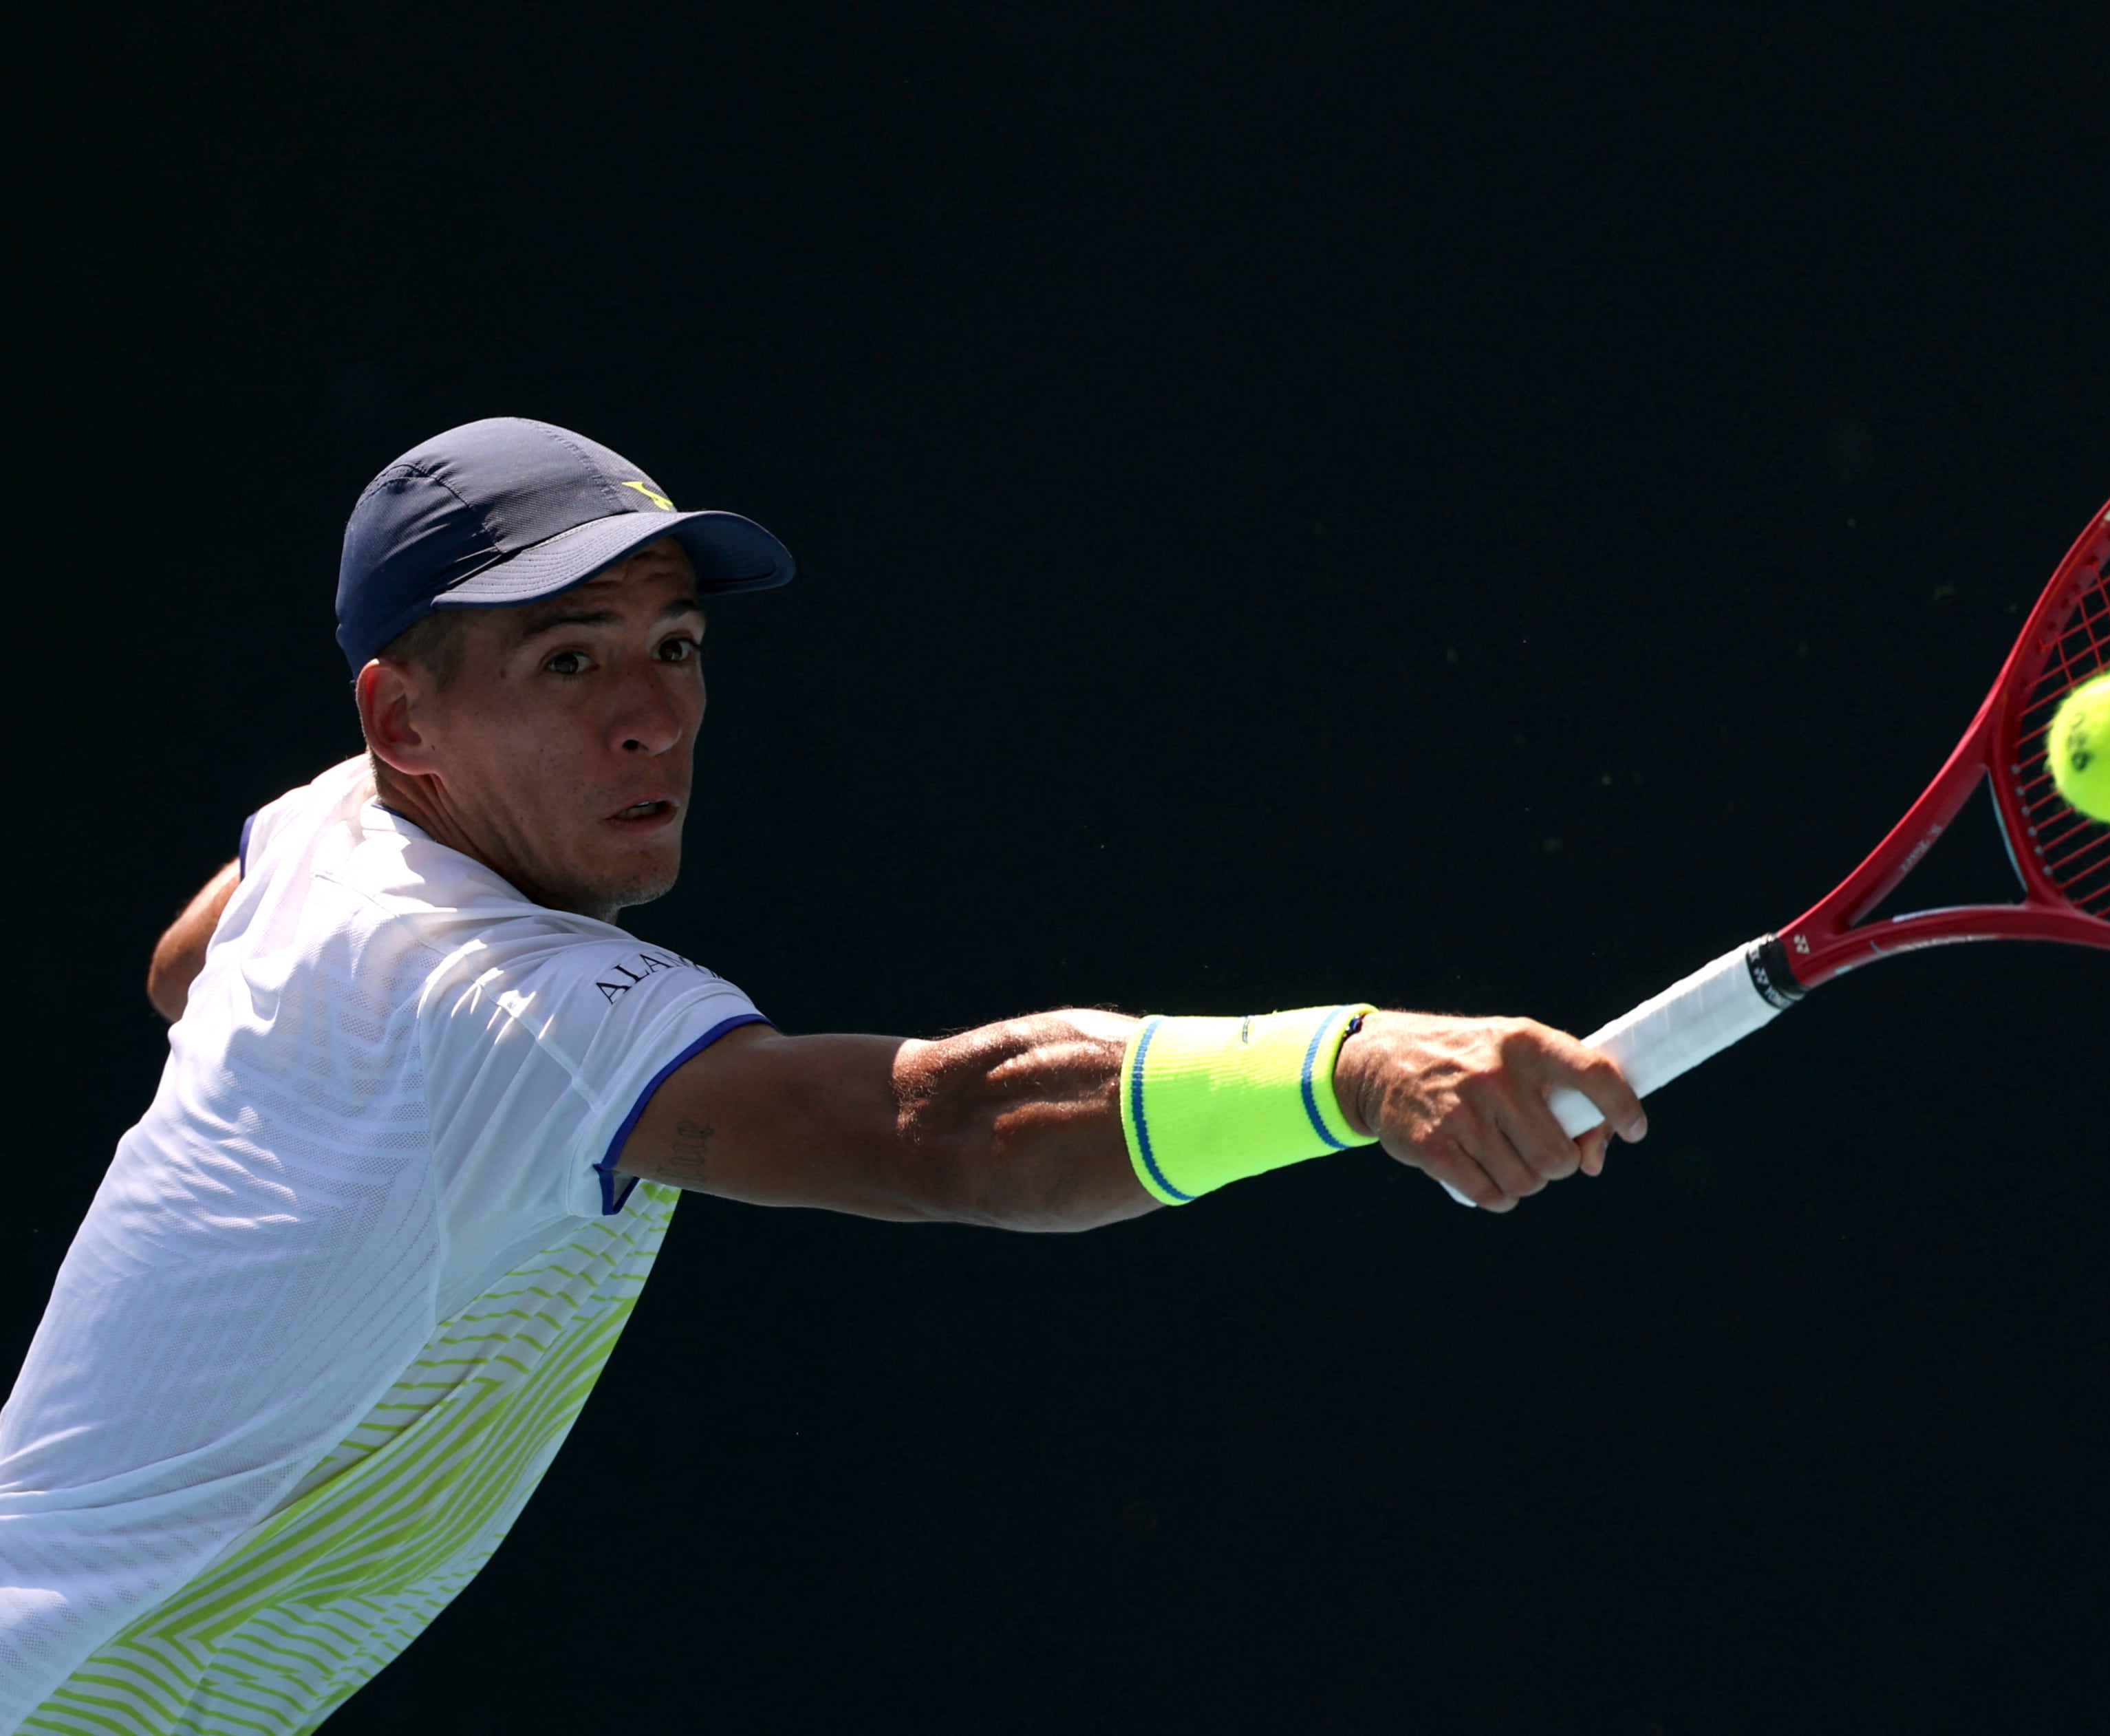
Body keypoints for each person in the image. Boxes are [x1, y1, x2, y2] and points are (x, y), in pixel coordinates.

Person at [0, 418, 1646, 1730]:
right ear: (404, 720)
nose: (653, 717)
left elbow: (184, 959)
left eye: (675, 644)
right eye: (571, 661)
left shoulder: (333, 828)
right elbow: (949, 1131)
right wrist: (1349, 1066)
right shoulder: (509, 1003)